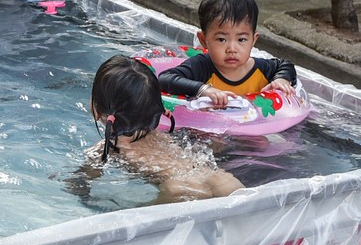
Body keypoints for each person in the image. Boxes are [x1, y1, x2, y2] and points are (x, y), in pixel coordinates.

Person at [84, 55, 243, 202]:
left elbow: (82, 181)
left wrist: (78, 188)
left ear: (97, 110)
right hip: (213, 176)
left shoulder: (108, 147)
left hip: (178, 188)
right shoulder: (155, 132)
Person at [156, 0, 299, 106]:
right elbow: (164, 79)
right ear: (204, 40)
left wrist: (281, 80)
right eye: (221, 39)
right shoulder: (201, 67)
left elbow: (285, 65)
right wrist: (203, 90)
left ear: (253, 40)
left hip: (251, 126)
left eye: (242, 39)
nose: (232, 48)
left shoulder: (262, 69)